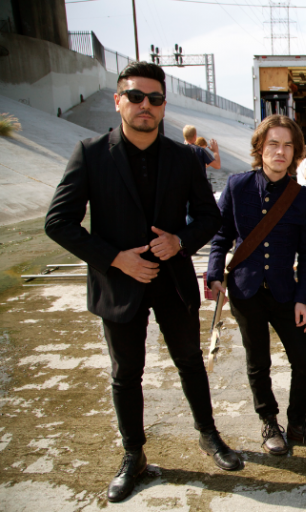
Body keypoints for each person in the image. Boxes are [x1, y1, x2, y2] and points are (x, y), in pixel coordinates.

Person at [44, 62, 242, 504]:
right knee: (125, 373)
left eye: (154, 98)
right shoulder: (90, 153)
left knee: (190, 361)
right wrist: (116, 259)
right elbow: (58, 222)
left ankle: (208, 435)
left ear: (164, 106)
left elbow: (208, 217)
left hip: (172, 281)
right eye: (135, 97)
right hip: (119, 284)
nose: (145, 106)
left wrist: (180, 241)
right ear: (118, 101)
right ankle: (133, 454)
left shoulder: (184, 157)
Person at [207, 115, 306, 456]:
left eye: (288, 145)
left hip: (285, 292)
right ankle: (269, 422)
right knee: (258, 362)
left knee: (304, 362)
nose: (280, 151)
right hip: (245, 291)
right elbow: (221, 236)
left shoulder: (303, 198)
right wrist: (214, 273)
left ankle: (297, 424)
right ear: (260, 148)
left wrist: (303, 299)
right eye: (273, 144)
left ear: (295, 152)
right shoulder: (237, 185)